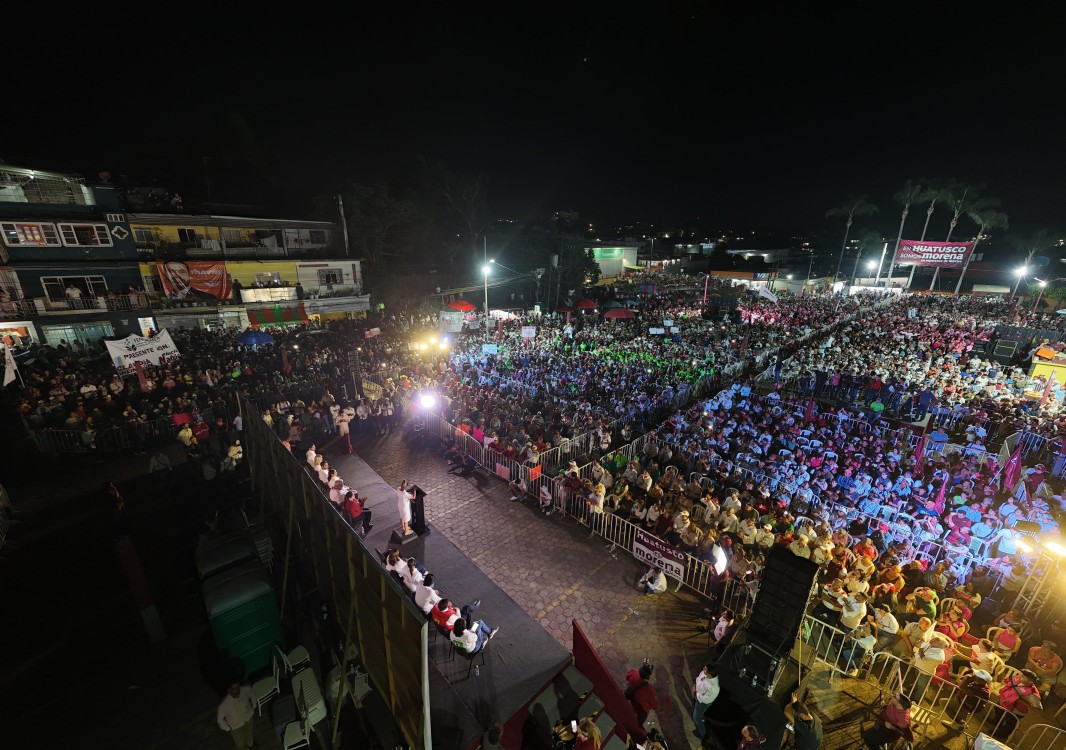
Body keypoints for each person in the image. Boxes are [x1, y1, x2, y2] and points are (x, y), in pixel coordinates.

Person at [216, 680, 256, 749]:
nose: (237, 690)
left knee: (249, 734)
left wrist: (254, 705)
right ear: (229, 690)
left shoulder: (245, 689)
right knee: (240, 743)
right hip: (236, 726)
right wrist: (227, 728)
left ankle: (250, 746)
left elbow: (251, 692)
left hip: (248, 718)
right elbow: (220, 719)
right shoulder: (224, 704)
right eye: (234, 689)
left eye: (238, 687)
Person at [691, 663, 720, 741]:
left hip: (702, 703)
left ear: (710, 675)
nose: (703, 669)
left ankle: (701, 734)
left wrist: (696, 694)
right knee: (697, 711)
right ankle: (700, 716)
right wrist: (695, 685)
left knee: (696, 718)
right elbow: (699, 678)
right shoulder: (704, 672)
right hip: (697, 696)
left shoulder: (714, 688)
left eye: (705, 669)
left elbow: (707, 699)